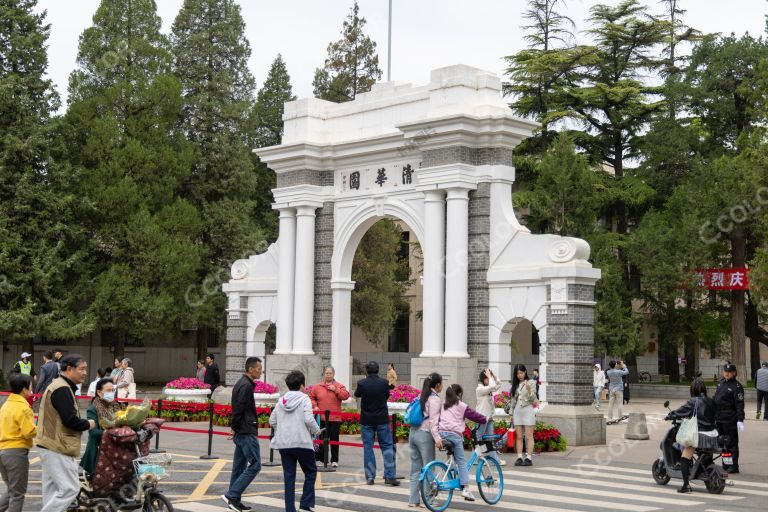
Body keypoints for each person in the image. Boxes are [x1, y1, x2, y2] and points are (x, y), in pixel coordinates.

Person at [35, 353, 96, 512]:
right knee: (70, 488)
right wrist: (89, 424)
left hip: (49, 444)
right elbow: (70, 420)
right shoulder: (62, 388)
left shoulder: (60, 385)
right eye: (82, 369)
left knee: (52, 491)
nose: (84, 373)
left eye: (86, 369)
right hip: (58, 446)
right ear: (69, 369)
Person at [270, 370, 320, 512]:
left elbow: (272, 420)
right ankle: (305, 504)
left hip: (284, 444)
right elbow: (309, 419)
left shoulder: (281, 400)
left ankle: (290, 509)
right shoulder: (304, 399)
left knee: (289, 477)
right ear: (302, 385)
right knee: (310, 472)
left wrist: (284, 428)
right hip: (302, 442)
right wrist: (317, 431)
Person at [221, 357, 263, 511]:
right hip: (246, 431)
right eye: (259, 368)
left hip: (241, 430)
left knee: (239, 467)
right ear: (250, 369)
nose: (261, 371)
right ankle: (232, 495)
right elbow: (239, 409)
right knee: (255, 465)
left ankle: (234, 501)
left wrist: (235, 428)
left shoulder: (242, 383)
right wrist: (234, 427)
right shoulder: (245, 385)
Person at [665, 378, 719, 493]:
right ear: (704, 388)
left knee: (685, 457)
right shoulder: (711, 401)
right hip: (713, 435)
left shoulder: (693, 401)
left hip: (699, 435)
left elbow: (681, 411)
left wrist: (670, 415)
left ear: (692, 390)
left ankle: (686, 485)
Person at [438, 384, 487, 501]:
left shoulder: (443, 404)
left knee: (451, 457)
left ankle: (449, 475)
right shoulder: (461, 405)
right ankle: (466, 489)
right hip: (454, 435)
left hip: (442, 434)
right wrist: (485, 419)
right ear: (459, 395)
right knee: (462, 461)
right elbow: (474, 416)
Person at [355, 361, 399, 486]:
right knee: (387, 447)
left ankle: (370, 477)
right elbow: (386, 396)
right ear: (378, 370)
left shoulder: (362, 383)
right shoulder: (384, 383)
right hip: (382, 419)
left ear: (366, 371)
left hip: (366, 420)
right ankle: (389, 476)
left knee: (368, 448)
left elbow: (357, 394)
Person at [0, 373, 37, 512]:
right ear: (24, 389)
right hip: (16, 452)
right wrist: (41, 429)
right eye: (31, 386)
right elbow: (29, 432)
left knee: (11, 490)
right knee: (17, 494)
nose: (32, 389)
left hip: (2, 450)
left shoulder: (6, 405)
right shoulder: (23, 407)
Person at [409, 372, 442, 507]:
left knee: (416, 468)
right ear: (438, 385)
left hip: (413, 433)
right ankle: (429, 501)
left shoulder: (420, 396)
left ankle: (413, 500)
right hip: (425, 435)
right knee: (429, 467)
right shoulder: (434, 399)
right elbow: (433, 423)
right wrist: (438, 439)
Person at [80, 378, 122, 478]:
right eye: (108, 391)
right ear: (99, 392)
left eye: (113, 390)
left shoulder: (116, 406)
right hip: (98, 451)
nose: (111, 393)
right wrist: (113, 432)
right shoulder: (93, 409)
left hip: (114, 449)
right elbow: (93, 432)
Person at [309, 366, 350, 467]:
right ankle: (323, 459)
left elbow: (346, 396)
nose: (328, 375)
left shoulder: (339, 386)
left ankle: (334, 460)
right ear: (324, 374)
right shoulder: (317, 386)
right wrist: (315, 406)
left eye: (330, 373)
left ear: (333, 374)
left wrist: (336, 390)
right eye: (326, 373)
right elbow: (311, 397)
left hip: (334, 418)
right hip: (320, 418)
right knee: (321, 440)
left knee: (334, 439)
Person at [713, 361, 745, 473]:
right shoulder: (720, 384)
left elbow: (739, 404)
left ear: (734, 373)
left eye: (729, 372)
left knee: (731, 443)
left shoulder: (737, 386)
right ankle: (726, 464)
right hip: (719, 418)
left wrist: (740, 419)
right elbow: (715, 399)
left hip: (730, 419)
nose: (727, 373)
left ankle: (734, 466)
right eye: (725, 371)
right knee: (722, 443)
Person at [511, 364, 538, 467]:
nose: (520, 375)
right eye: (518, 373)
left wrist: (529, 389)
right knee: (519, 437)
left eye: (521, 373)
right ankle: (519, 457)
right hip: (517, 412)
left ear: (525, 372)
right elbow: (513, 401)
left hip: (528, 411)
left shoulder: (531, 382)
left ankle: (529, 458)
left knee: (529, 436)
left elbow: (533, 399)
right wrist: (511, 413)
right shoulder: (515, 385)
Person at [475, 368, 504, 465]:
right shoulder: (480, 389)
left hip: (489, 418)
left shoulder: (488, 388)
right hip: (482, 418)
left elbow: (498, 385)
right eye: (487, 378)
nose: (488, 379)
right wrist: (490, 377)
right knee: (479, 439)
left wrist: (494, 376)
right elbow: (492, 386)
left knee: (490, 439)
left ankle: (494, 460)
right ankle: (475, 459)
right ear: (483, 379)